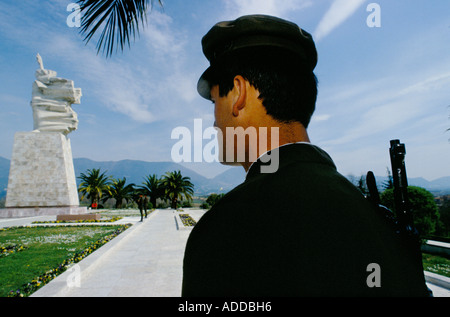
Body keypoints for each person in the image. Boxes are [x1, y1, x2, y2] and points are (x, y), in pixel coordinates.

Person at [182, 15, 430, 297]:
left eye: (215, 101)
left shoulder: (223, 232)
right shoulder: (378, 221)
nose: (214, 122)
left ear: (238, 93)